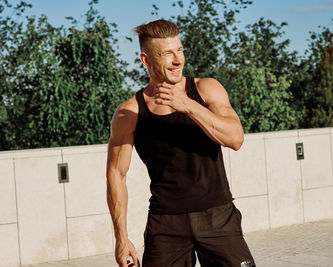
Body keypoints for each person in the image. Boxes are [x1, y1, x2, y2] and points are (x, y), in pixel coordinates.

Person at [106, 19, 255, 267]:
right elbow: (115, 175)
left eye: (180, 50)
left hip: (218, 216)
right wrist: (121, 239)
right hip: (165, 225)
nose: (178, 60)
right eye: (167, 54)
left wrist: (186, 105)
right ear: (146, 60)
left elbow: (235, 138)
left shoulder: (206, 89)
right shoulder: (129, 113)